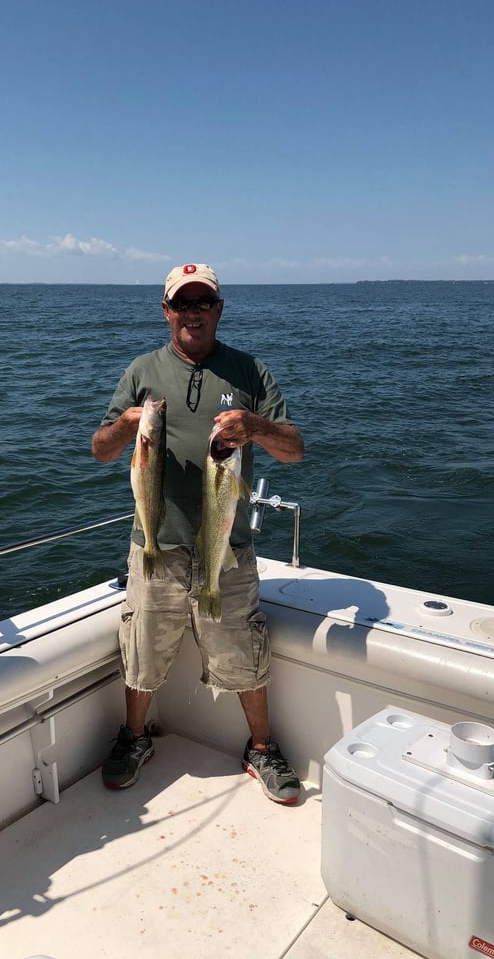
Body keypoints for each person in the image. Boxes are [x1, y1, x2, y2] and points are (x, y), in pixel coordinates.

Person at [91, 263, 305, 804]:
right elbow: (100, 448)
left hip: (227, 548)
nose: (193, 312)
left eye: (203, 303)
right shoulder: (142, 370)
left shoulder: (250, 371)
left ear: (219, 309)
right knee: (140, 646)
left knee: (242, 648)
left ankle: (261, 746)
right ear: (166, 311)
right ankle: (134, 738)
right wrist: (126, 424)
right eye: (182, 303)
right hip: (153, 547)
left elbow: (295, 448)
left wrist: (253, 426)